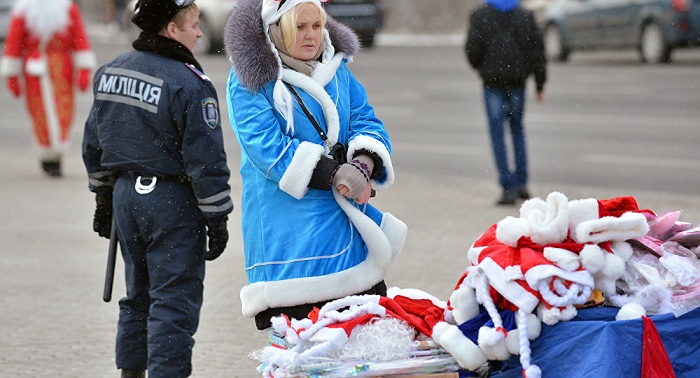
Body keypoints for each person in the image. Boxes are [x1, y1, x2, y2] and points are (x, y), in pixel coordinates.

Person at [224, 0, 407, 330]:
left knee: (359, 334)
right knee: (304, 345)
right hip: (289, 232)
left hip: (342, 224)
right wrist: (335, 173)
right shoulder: (250, 79)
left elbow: (365, 119)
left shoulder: (336, 68)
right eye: (300, 28)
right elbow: (267, 149)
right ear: (278, 28)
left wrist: (364, 164)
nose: (311, 36)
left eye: (317, 26)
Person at [82, 0, 233, 376]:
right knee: (173, 304)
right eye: (194, 25)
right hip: (171, 203)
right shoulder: (190, 83)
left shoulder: (110, 72)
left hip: (125, 199)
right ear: (171, 29)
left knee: (138, 298)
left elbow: (94, 144)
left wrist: (103, 199)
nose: (199, 33)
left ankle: (130, 373)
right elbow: (206, 160)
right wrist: (217, 218)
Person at [0, 0, 96, 177]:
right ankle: (48, 156)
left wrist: (84, 69)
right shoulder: (23, 10)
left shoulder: (68, 8)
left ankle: (56, 153)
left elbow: (79, 38)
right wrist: (11, 74)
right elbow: (14, 42)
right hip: (36, 73)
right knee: (40, 114)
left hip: (62, 70)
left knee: (64, 113)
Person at [465, 0, 547, 205]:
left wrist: (484, 67)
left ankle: (507, 186)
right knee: (517, 129)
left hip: (492, 82)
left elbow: (472, 50)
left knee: (497, 134)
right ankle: (522, 183)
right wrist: (539, 82)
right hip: (517, 81)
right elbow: (536, 49)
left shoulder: (480, 15)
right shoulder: (524, 15)